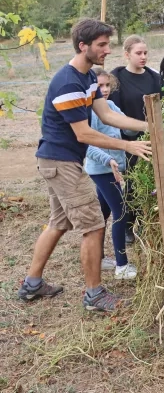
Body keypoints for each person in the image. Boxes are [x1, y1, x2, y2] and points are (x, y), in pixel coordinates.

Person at [18, 18, 151, 312]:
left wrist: (149, 126)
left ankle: (32, 284)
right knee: (93, 225)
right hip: (61, 161)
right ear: (83, 46)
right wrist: (127, 145)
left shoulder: (88, 77)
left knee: (58, 222)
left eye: (108, 44)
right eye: (102, 45)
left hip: (57, 160)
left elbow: (106, 116)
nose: (107, 50)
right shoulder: (68, 83)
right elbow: (84, 133)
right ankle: (94, 295)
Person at [85, 68, 137, 281]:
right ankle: (121, 266)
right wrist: (108, 159)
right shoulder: (89, 111)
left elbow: (127, 129)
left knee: (104, 213)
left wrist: (142, 122)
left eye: (107, 85)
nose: (104, 90)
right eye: (99, 86)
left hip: (112, 167)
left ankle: (98, 258)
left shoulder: (111, 106)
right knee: (121, 212)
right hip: (103, 170)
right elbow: (86, 145)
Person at [110, 35, 162, 243]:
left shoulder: (153, 77)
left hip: (154, 136)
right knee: (133, 183)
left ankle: (148, 223)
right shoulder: (117, 78)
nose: (143, 57)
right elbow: (113, 112)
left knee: (153, 181)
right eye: (138, 53)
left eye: (145, 53)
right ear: (127, 54)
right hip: (129, 140)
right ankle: (128, 227)